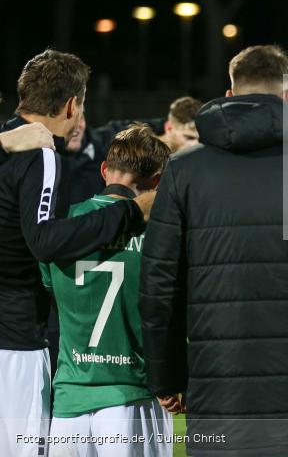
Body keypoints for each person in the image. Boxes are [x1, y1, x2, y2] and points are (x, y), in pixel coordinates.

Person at [140, 45, 288, 456]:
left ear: (230, 94)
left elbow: (159, 284)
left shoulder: (185, 169)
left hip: (219, 388)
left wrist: (166, 375)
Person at [0, 50, 153, 457]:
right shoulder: (41, 154)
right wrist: (129, 212)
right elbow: (44, 240)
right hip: (14, 343)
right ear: (72, 105)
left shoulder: (7, 144)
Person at [42, 124, 173, 457]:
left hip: (69, 404)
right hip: (133, 395)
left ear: (104, 170)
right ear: (157, 182)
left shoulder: (62, 226)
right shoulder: (162, 235)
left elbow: (49, 294)